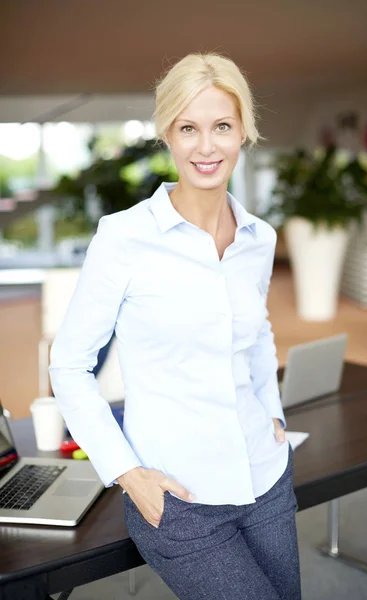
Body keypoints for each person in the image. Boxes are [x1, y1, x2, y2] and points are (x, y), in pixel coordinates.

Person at [49, 52, 301, 600]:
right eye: (189, 128)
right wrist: (127, 475)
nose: (206, 147)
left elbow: (257, 336)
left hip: (267, 477)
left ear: (244, 133)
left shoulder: (259, 238)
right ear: (167, 133)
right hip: (179, 500)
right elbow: (67, 365)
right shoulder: (123, 238)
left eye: (222, 127)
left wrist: (275, 415)